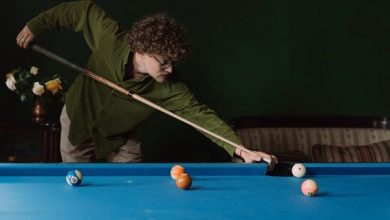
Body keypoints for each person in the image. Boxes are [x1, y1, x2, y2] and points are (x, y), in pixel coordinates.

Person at [16, 1, 277, 168]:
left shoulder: (170, 88)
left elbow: (201, 116)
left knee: (132, 187)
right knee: (77, 184)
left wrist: (241, 149)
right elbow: (82, 11)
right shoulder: (110, 39)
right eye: (164, 62)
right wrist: (37, 25)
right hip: (78, 120)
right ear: (143, 50)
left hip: (121, 137)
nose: (171, 69)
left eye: (174, 62)